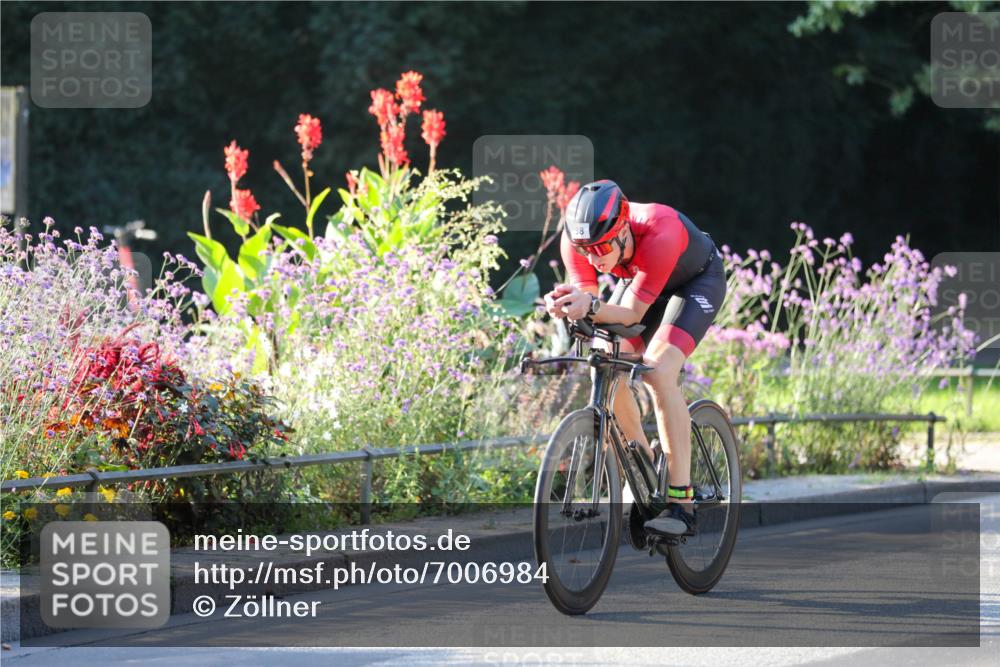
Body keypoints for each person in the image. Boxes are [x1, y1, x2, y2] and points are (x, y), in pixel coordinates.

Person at [543, 180, 726, 538]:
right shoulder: (576, 241)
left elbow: (628, 312)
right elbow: (593, 307)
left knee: (658, 369)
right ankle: (646, 463)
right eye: (586, 250)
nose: (594, 258)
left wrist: (591, 306)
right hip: (645, 283)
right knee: (603, 355)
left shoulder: (661, 229)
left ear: (623, 228)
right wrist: (566, 305)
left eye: (602, 247)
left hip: (694, 284)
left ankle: (681, 502)